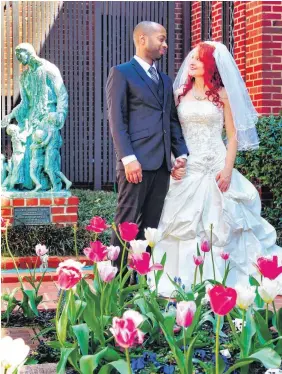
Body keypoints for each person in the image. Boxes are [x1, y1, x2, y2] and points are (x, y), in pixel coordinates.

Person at [151, 41, 282, 296]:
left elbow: (232, 136)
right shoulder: (178, 94)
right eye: (192, 58)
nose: (192, 62)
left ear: (210, 65)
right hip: (188, 166)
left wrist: (228, 169)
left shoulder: (222, 95)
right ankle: (178, 281)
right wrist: (173, 161)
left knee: (222, 224)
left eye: (199, 59)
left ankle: (223, 281)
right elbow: (171, 133)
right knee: (180, 223)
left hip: (216, 166)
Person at [106, 21, 188, 268]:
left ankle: (140, 281)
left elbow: (171, 121)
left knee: (150, 227)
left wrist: (181, 154)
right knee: (126, 223)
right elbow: (117, 120)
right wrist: (128, 159)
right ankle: (115, 283)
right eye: (161, 39)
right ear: (142, 39)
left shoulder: (165, 80)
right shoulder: (122, 73)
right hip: (136, 164)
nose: (165, 45)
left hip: (162, 165)